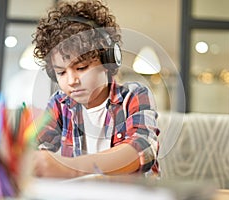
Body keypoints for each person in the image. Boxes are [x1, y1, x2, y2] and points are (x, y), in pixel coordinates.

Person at [32, 0, 160, 178]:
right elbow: (38, 150)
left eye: (82, 68)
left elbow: (141, 151)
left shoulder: (134, 95)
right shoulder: (59, 103)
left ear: (108, 61)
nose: (71, 81)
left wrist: (71, 168)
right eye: (61, 72)